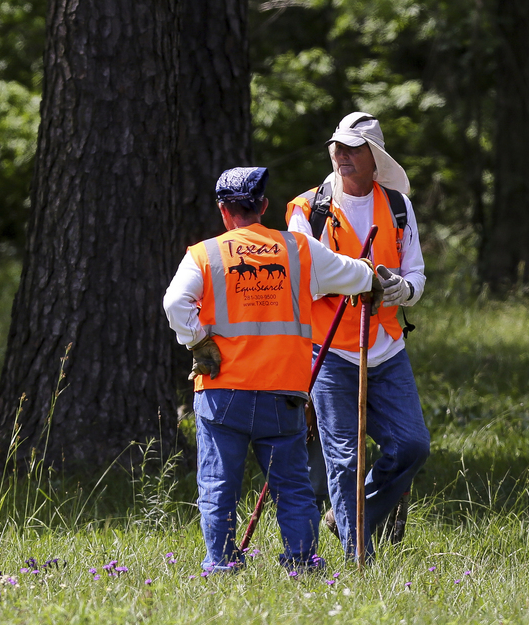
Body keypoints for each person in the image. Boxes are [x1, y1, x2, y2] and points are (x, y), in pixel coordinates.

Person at [163, 166, 381, 574]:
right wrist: (373, 276)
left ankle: (222, 565)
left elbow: (175, 304)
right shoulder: (299, 249)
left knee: (218, 487)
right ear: (263, 206)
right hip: (283, 393)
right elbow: (353, 275)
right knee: (294, 488)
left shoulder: (204, 254)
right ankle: (301, 563)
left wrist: (197, 341)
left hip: (221, 390)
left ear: (223, 211)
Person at [287, 112, 431, 562]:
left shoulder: (398, 206)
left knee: (412, 445)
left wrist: (399, 289)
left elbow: (417, 275)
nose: (341, 154)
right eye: (337, 146)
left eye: (352, 148)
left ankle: (347, 516)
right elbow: (299, 273)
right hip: (329, 350)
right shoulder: (307, 208)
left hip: (386, 347)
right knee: (344, 459)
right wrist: (356, 279)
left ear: (375, 158)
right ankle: (358, 558)